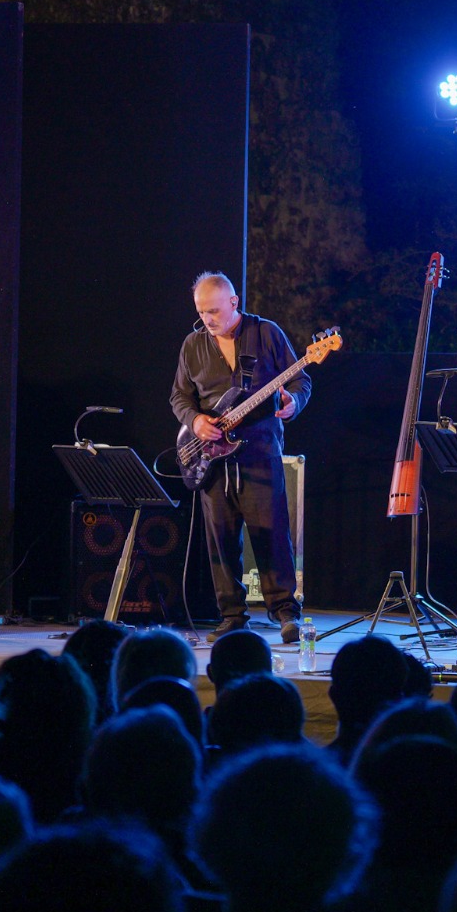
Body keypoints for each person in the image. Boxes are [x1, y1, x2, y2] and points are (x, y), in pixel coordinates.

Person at [171, 272, 309, 644]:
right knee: (220, 540)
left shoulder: (266, 334)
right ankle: (232, 616)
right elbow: (179, 398)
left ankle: (285, 614)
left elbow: (300, 381)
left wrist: (292, 402)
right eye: (201, 312)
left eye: (214, 311)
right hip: (211, 459)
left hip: (260, 454)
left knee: (273, 538)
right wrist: (196, 420)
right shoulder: (192, 344)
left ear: (234, 302)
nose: (207, 319)